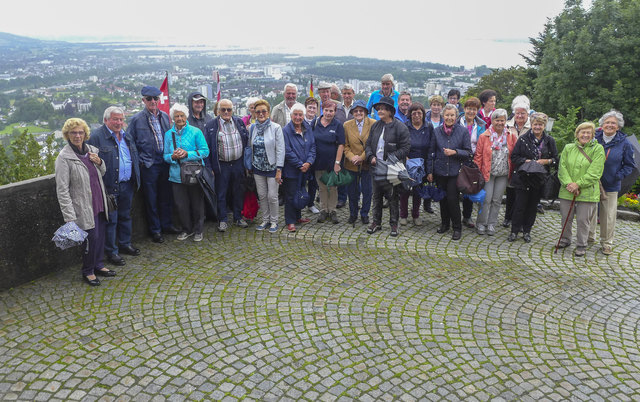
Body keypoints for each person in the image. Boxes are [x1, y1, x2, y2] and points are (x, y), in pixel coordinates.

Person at [55, 118, 115, 286]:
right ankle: (88, 271)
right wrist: (69, 215)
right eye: (73, 132)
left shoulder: (91, 151)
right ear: (67, 135)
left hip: (99, 201)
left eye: (81, 132)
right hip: (82, 206)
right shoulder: (64, 158)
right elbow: (62, 189)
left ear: (85, 134)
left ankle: (99, 265)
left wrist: (100, 162)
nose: (77, 135)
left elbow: (101, 172)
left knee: (101, 236)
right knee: (90, 239)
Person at [86, 106, 140, 267]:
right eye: (115, 119)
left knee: (125, 216)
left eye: (121, 119)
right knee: (111, 220)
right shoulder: (96, 137)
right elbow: (89, 164)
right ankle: (112, 251)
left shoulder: (126, 136)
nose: (119, 122)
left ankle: (125, 243)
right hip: (108, 187)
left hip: (127, 184)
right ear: (106, 120)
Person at [127, 85, 175, 243]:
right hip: (148, 165)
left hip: (165, 162)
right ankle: (156, 230)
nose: (153, 101)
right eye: (149, 99)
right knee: (151, 199)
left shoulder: (165, 116)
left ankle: (167, 225)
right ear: (143, 100)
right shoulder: (136, 119)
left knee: (166, 197)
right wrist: (140, 161)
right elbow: (129, 142)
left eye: (155, 98)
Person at [588, 110, 636, 255]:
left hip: (610, 184)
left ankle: (606, 243)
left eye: (613, 123)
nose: (610, 125)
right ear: (602, 124)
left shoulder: (625, 143)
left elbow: (630, 165)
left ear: (618, 126)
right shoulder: (593, 138)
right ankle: (588, 237)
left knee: (608, 216)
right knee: (589, 211)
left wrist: (617, 176)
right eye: (607, 122)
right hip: (591, 182)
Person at [508, 112, 558, 243]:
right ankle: (514, 231)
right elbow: (514, 157)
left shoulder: (549, 141)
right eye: (535, 124)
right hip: (523, 177)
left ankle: (527, 231)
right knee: (519, 205)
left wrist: (546, 161)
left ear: (544, 126)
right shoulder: (523, 139)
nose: (537, 127)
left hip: (539, 179)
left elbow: (556, 159)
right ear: (531, 124)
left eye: (540, 125)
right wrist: (526, 161)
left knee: (532, 206)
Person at [365, 96, 411, 237]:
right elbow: (368, 145)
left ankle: (394, 224)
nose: (380, 111)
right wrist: (371, 157)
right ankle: (376, 222)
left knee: (393, 197)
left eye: (383, 109)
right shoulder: (376, 126)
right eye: (379, 108)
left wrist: (389, 160)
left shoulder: (400, 127)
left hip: (391, 170)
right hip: (376, 168)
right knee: (376, 196)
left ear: (390, 111)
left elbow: (405, 148)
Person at [557, 122, 605, 256]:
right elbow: (562, 168)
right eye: (582, 132)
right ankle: (565, 239)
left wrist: (578, 184)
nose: (585, 135)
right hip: (567, 190)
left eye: (588, 133)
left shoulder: (598, 149)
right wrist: (570, 185)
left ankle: (581, 244)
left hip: (588, 191)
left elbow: (595, 172)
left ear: (592, 135)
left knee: (583, 219)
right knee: (566, 217)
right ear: (577, 134)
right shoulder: (568, 148)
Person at [163, 103, 210, 241]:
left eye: (182, 115)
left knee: (197, 203)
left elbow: (205, 151)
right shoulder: (168, 134)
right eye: (176, 116)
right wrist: (172, 157)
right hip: (176, 175)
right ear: (173, 118)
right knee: (181, 205)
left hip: (194, 174)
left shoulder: (196, 132)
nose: (179, 118)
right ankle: (187, 229)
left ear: (186, 117)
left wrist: (186, 154)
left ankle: (198, 230)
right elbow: (165, 155)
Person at [203, 99, 250, 231]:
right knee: (221, 193)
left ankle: (238, 217)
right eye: (223, 109)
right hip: (221, 165)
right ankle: (222, 219)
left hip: (238, 163)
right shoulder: (211, 125)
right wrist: (209, 167)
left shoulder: (239, 122)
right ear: (218, 111)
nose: (226, 112)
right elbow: (206, 148)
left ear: (232, 110)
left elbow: (245, 141)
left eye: (228, 109)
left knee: (238, 191)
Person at [427, 104, 472, 240]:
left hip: (455, 171)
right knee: (442, 199)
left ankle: (457, 227)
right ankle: (445, 224)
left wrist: (455, 152)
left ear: (456, 116)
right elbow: (431, 152)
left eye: (452, 115)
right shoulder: (437, 131)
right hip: (440, 170)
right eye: (447, 115)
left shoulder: (462, 131)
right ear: (442, 116)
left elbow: (469, 152)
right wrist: (430, 171)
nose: (449, 117)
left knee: (452, 199)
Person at [473, 109, 517, 236]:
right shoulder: (484, 136)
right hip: (488, 173)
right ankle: (481, 223)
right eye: (497, 120)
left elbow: (513, 155)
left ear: (505, 121)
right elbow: (478, 156)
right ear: (492, 121)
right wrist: (478, 172)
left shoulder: (510, 136)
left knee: (497, 200)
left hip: (503, 173)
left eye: (502, 120)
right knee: (486, 200)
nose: (500, 122)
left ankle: (491, 224)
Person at [248, 99, 285, 232]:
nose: (261, 114)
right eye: (258, 111)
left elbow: (281, 149)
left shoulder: (276, 128)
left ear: (268, 112)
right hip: (258, 168)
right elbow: (249, 147)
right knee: (262, 195)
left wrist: (279, 169)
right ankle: (265, 219)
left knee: (272, 196)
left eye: (264, 111)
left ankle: (274, 221)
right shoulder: (252, 128)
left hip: (272, 167)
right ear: (254, 113)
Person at [282, 104, 316, 232]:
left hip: (305, 169)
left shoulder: (307, 128)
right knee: (291, 195)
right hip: (292, 170)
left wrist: (309, 162)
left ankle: (298, 217)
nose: (298, 117)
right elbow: (287, 150)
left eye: (300, 114)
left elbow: (313, 147)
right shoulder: (286, 130)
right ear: (291, 116)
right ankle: (290, 221)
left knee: (300, 192)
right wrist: (300, 164)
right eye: (295, 114)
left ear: (303, 116)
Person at [400, 102, 432, 226]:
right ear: (410, 115)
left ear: (423, 114)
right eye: (414, 113)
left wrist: (429, 169)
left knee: (418, 191)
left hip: (422, 165)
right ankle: (403, 215)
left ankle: (416, 214)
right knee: (405, 191)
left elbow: (431, 147)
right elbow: (400, 145)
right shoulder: (404, 127)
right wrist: (406, 159)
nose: (417, 116)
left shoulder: (428, 127)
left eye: (419, 113)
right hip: (407, 163)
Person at [312, 101, 345, 224]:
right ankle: (323, 209)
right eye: (326, 110)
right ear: (322, 110)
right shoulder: (315, 123)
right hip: (318, 162)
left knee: (332, 187)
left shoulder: (338, 125)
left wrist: (337, 163)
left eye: (331, 111)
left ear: (335, 112)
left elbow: (341, 145)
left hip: (332, 162)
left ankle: (332, 210)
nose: (328, 113)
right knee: (322, 187)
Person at [343, 100, 375, 224]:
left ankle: (365, 213)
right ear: (352, 112)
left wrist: (361, 157)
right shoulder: (347, 125)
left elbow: (373, 144)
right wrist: (352, 157)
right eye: (355, 111)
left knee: (367, 191)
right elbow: (345, 145)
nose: (358, 113)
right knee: (352, 191)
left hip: (366, 163)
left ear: (365, 112)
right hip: (351, 164)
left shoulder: (373, 124)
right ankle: (353, 213)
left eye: (361, 110)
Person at [503, 95, 532, 227]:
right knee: (510, 191)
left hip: (525, 162)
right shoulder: (507, 125)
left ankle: (519, 219)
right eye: (517, 113)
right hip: (510, 161)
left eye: (523, 113)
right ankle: (508, 217)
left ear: (528, 113)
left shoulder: (532, 126)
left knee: (522, 192)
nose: (520, 116)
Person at [458, 97, 486, 228]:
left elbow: (482, 144)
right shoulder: (458, 121)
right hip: (457, 157)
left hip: (472, 159)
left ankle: (467, 216)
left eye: (474, 109)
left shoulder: (481, 125)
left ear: (477, 110)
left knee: (469, 188)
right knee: (454, 188)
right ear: (464, 109)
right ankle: (454, 215)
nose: (471, 111)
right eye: (469, 108)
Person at [303, 96, 320, 214]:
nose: (312, 110)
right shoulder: (299, 120)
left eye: (314, 108)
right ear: (305, 108)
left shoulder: (318, 122)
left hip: (314, 157)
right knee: (301, 181)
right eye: (310, 107)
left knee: (313, 182)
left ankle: (311, 203)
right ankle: (300, 201)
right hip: (302, 157)